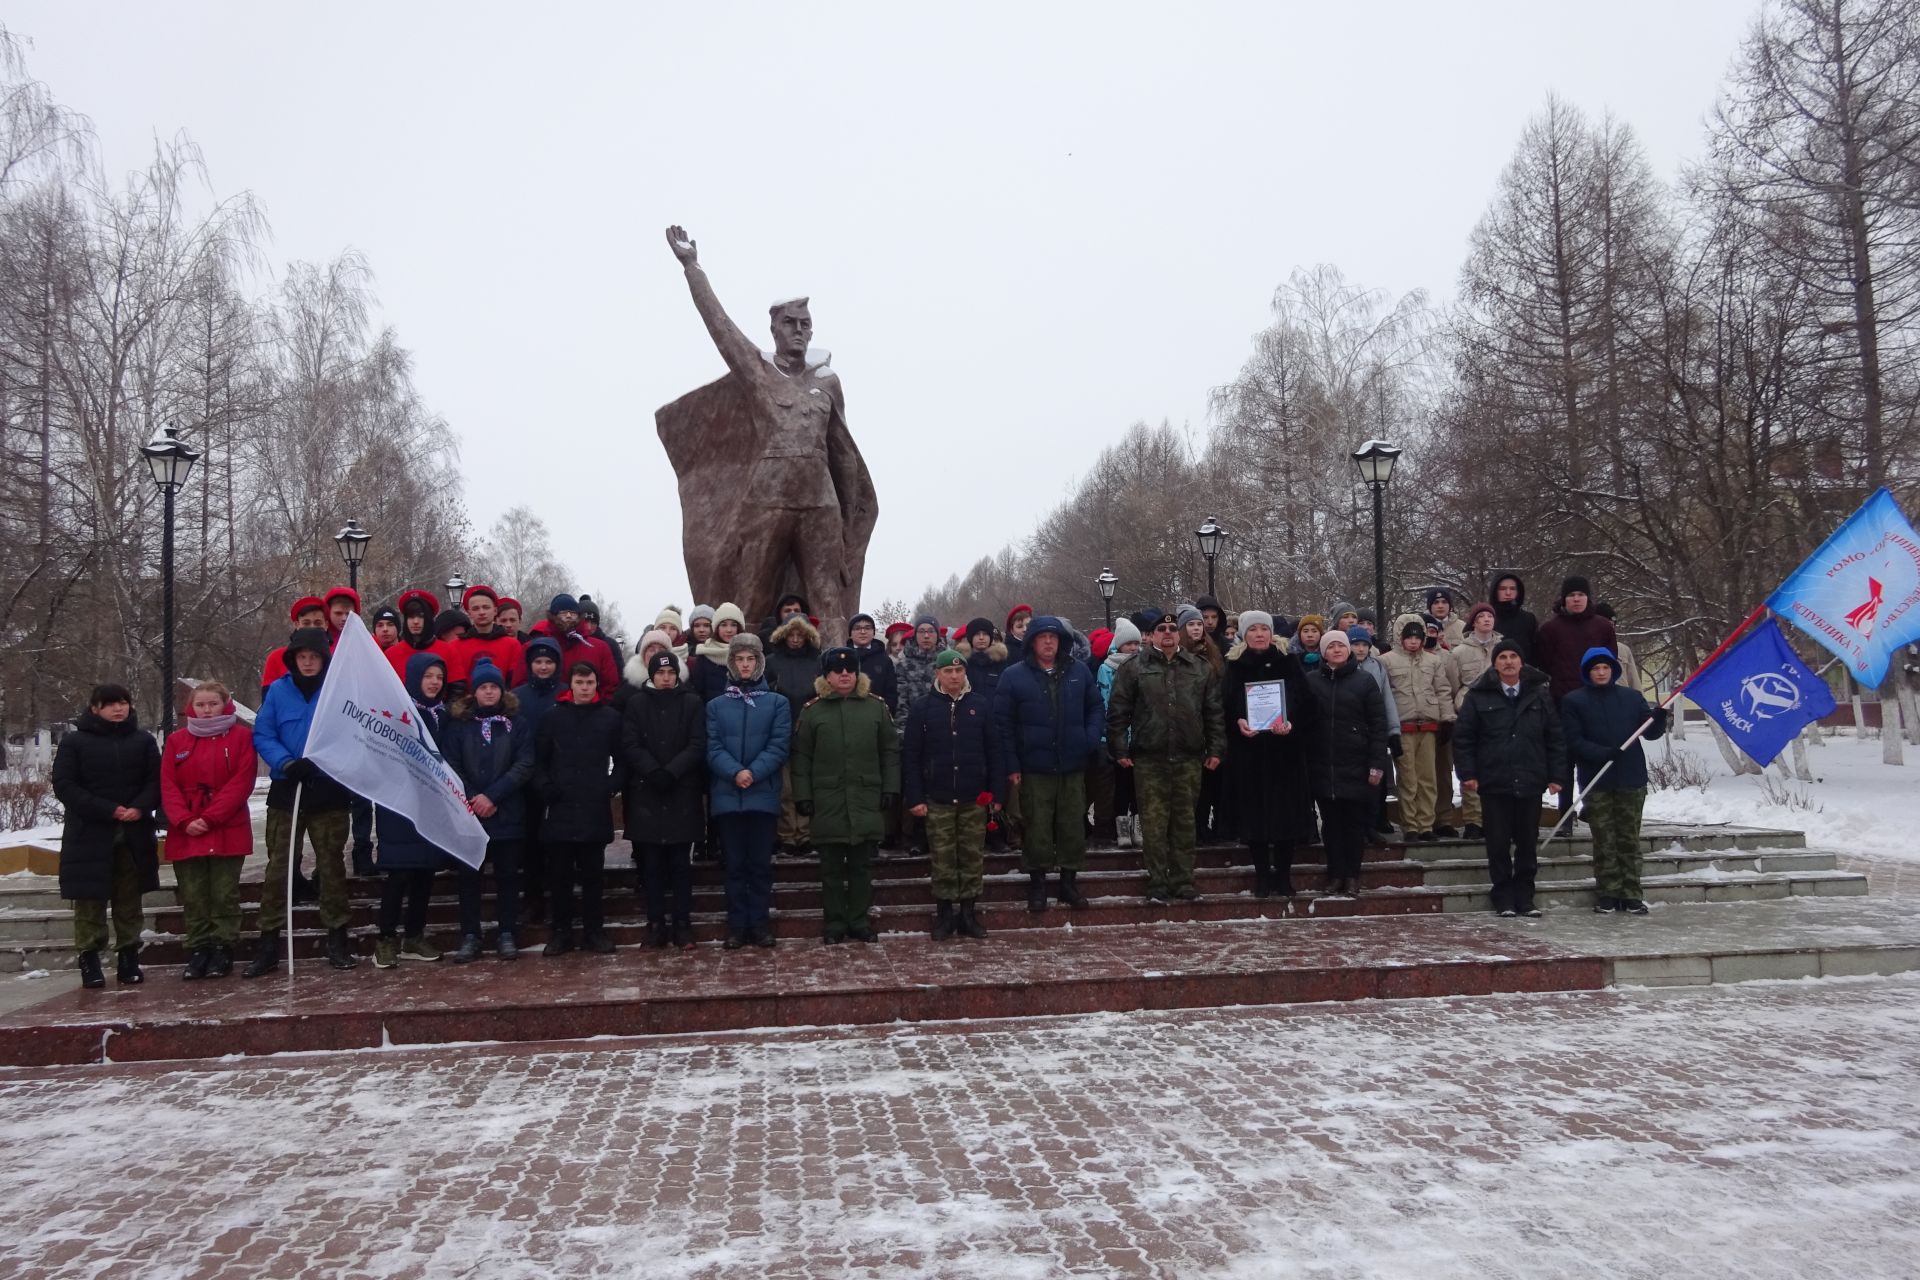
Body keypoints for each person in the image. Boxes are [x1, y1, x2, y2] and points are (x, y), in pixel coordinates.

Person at [248, 628, 358, 976]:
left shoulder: (339, 690)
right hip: (288, 790)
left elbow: (353, 733)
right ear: (293, 659)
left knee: (331, 867)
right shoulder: (279, 692)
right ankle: (268, 943)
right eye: (302, 657)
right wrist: (285, 762)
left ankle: (338, 937)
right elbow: (263, 733)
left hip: (328, 789)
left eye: (314, 656)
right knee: (279, 868)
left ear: (325, 659)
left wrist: (324, 760)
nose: (308, 663)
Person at [1108, 611, 1227, 904]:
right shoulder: (1134, 668)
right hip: (1150, 759)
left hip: (1188, 758)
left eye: (1173, 628)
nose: (1168, 633)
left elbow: (1213, 712)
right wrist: (1120, 749)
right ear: (1150, 636)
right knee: (1155, 824)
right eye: (1161, 629)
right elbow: (1118, 712)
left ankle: (1183, 881)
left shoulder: (1199, 669)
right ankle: (1158, 882)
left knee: (1185, 823)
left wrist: (1216, 748)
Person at [53, 683, 160, 988]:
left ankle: (129, 956)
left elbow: (155, 780)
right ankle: (89, 958)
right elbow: (65, 785)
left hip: (133, 834)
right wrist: (107, 809)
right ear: (95, 708)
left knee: (129, 899)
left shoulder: (143, 741)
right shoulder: (75, 742)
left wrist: (139, 808)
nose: (118, 708)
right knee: (89, 901)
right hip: (89, 834)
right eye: (110, 703)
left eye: (123, 702)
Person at [996, 615, 1106, 912]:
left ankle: (1069, 883)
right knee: (1037, 827)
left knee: (1072, 825)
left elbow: (1095, 707)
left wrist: (1090, 738)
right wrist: (1012, 764)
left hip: (1072, 764)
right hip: (1034, 766)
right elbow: (1003, 724)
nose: (1048, 642)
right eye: (1042, 637)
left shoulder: (1079, 672)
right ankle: (1038, 885)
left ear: (1062, 642)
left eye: (1054, 637)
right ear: (1032, 641)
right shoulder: (1013, 676)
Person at [793, 646, 900, 944]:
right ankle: (835, 923)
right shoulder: (812, 711)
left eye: (850, 670)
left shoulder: (875, 707)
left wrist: (890, 787)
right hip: (827, 801)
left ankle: (859, 921)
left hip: (866, 798)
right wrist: (803, 795)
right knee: (829, 869)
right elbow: (801, 758)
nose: (844, 675)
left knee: (861, 867)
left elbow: (890, 752)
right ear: (826, 675)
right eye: (838, 671)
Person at [1453, 640, 1567, 917]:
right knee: (1498, 841)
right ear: (1494, 664)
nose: (1508, 661)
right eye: (1502, 657)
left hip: (1530, 779)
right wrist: (1467, 773)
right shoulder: (1478, 696)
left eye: (1513, 656)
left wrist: (1556, 775)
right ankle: (1503, 896)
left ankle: (1526, 896)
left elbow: (1554, 737)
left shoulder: (1539, 695)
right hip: (1494, 781)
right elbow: (1464, 738)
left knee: (1528, 842)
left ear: (1522, 662)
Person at [1559, 647, 1667, 915]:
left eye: (1605, 667)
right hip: (1597, 779)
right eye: (1596, 668)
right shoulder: (1574, 701)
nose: (1601, 672)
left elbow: (1649, 732)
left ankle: (1631, 893)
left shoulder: (1631, 698)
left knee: (1629, 839)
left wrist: (1659, 720)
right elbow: (1573, 741)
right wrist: (1602, 753)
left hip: (1631, 778)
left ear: (1613, 670)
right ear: (1588, 672)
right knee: (1605, 839)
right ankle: (1608, 892)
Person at [159, 682, 255, 979]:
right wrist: (184, 819)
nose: (206, 710)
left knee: (224, 892)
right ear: (191, 708)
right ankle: (199, 947)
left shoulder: (241, 738)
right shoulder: (177, 741)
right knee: (194, 893)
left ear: (225, 704)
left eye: (212, 703)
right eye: (200, 704)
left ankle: (223, 946)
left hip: (226, 825)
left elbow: (241, 781)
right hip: (186, 829)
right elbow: (167, 784)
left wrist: (211, 817)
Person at [903, 649, 1001, 940]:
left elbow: (994, 751)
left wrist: (996, 792)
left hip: (974, 797)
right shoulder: (922, 708)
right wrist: (916, 797)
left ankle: (969, 915)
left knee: (972, 857)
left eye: (959, 671)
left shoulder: (981, 705)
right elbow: (911, 756)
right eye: (948, 671)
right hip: (938, 797)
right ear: (938, 674)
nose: (954, 676)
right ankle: (945, 915)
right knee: (943, 858)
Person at [446, 659, 535, 962]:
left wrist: (493, 796)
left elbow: (524, 764)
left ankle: (507, 932)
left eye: (493, 687)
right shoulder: (459, 726)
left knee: (508, 876)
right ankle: (471, 934)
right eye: (483, 687)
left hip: (507, 813)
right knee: (469, 878)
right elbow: (451, 765)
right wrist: (474, 797)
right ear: (474, 691)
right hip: (470, 816)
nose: (488, 692)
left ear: (502, 691)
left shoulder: (517, 724)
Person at [1221, 612, 1316, 899]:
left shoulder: (1289, 661)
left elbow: (1306, 701)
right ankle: (1263, 876)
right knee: (1255, 818)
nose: (1259, 634)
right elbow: (1224, 705)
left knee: (1286, 817)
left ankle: (1284, 877)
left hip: (1284, 752)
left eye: (1264, 629)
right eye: (1253, 630)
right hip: (1249, 753)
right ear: (1244, 634)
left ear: (1271, 633)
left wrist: (1292, 723)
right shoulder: (1235, 666)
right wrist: (1238, 721)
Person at [371, 653, 456, 968]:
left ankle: (414, 936)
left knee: (424, 873)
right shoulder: (398, 715)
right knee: (400, 873)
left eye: (439, 677)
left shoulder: (443, 715)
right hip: (400, 805)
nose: (435, 682)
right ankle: (385, 938)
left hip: (432, 805)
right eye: (428, 676)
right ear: (414, 678)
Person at [706, 631, 790, 948]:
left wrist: (752, 772)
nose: (744, 664)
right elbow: (712, 747)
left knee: (759, 866)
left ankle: (759, 925)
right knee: (734, 867)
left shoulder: (776, 703)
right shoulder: (715, 706)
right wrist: (735, 772)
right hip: (728, 797)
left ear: (759, 662)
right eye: (739, 659)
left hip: (761, 795)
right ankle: (737, 926)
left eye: (750, 658)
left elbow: (779, 745)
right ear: (731, 663)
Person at [536, 662, 625, 955]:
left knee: (592, 877)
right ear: (570, 684)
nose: (585, 688)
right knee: (559, 878)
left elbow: (623, 761)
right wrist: (546, 788)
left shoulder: (610, 718)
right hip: (560, 808)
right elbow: (539, 761)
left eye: (590, 682)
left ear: (596, 685)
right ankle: (561, 932)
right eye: (580, 682)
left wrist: (609, 787)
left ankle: (593, 931)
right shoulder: (552, 717)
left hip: (593, 808)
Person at [622, 651, 707, 949]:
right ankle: (655, 924)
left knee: (681, 866)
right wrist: (652, 771)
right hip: (648, 792)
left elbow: (697, 744)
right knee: (653, 867)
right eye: (661, 674)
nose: (666, 678)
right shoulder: (636, 703)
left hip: (681, 790)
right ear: (652, 676)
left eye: (671, 674)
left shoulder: (692, 703)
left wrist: (672, 771)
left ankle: (682, 924)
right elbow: (630, 744)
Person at [1300, 632, 1388, 898]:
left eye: (1341, 645)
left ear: (1348, 650)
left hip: (1357, 764)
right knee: (1330, 824)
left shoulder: (1365, 681)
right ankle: (1335, 874)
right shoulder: (1312, 681)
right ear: (1324, 652)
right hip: (1323, 764)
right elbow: (1303, 720)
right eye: (1331, 646)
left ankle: (1352, 875)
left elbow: (1378, 725)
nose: (1336, 650)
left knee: (1354, 824)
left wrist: (1376, 763)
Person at [1533, 576, 1619, 818]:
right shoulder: (1551, 629)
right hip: (1562, 702)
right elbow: (1544, 663)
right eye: (1571, 595)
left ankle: (1593, 807)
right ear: (1564, 599)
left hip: (1596, 702)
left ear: (1588, 597)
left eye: (1581, 594)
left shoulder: (1602, 627)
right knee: (1565, 760)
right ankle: (1565, 812)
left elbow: (1609, 662)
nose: (1576, 599)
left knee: (1592, 757)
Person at [1380, 618, 1454, 842]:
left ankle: (1426, 824)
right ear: (1400, 638)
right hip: (1403, 726)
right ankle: (1410, 825)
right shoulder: (1387, 661)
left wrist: (1447, 719)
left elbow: (1442, 689)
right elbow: (1383, 695)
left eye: (1417, 637)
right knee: (1407, 778)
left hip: (1429, 725)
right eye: (1408, 637)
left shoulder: (1433, 661)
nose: (1413, 642)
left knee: (1427, 778)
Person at [511, 635, 564, 920]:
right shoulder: (517, 697)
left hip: (561, 781)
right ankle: (533, 899)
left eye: (549, 662)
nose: (543, 667)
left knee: (559, 846)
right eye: (538, 662)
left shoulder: (567, 693)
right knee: (531, 844)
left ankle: (559, 899)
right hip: (527, 780)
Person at [765, 612, 823, 857]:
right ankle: (788, 836)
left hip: (810, 731)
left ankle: (808, 835)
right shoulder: (772, 662)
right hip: (781, 730)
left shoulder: (818, 662)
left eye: (801, 634)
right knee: (786, 788)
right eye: (792, 634)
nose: (796, 639)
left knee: (808, 786)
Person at [1448, 604, 1503, 840]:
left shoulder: (1504, 648)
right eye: (1481, 617)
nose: (1486, 620)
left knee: (1496, 769)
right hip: (1469, 714)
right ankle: (1473, 820)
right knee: (1470, 768)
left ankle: (1494, 818)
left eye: (1490, 616)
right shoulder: (1459, 652)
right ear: (1473, 623)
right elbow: (1452, 684)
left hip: (1500, 715)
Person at [1177, 605, 1228, 844]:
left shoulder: (1213, 653)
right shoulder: (1179, 654)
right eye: (1192, 624)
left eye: (1199, 624)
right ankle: (1191, 827)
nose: (1197, 628)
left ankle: (1206, 824)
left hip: (1210, 721)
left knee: (1209, 780)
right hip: (1185, 726)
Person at [1346, 624, 1401, 836]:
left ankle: (1375, 822)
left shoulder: (1377, 667)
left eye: (1363, 645)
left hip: (1374, 731)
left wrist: (1393, 730)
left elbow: (1387, 698)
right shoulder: (1342, 666)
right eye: (1355, 644)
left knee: (1377, 780)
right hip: (1350, 732)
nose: (1360, 649)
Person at [1096, 617, 1142, 849]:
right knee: (1119, 784)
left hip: (1140, 733)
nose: (1133, 648)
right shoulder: (1106, 668)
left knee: (1137, 784)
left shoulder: (1144, 664)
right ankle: (1121, 824)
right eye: (1128, 644)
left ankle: (1137, 822)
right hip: (1115, 733)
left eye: (1136, 643)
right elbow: (1103, 700)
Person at [531, 593, 620, 694]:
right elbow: (524, 683)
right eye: (563, 612)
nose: (568, 616)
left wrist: (594, 705)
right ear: (553, 616)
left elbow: (610, 684)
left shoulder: (600, 647)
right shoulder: (536, 646)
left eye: (572, 613)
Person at [460, 584, 526, 687]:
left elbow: (514, 683)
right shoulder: (456, 646)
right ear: (469, 613)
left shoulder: (512, 645)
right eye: (476, 608)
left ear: (495, 611)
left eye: (486, 607)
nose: (481, 612)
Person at [260, 595, 328, 694]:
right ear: (296, 625)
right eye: (306, 623)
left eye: (317, 623)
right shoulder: (276, 657)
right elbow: (268, 699)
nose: (312, 628)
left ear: (326, 625)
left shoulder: (336, 656)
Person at [688, 602, 745, 702]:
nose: (729, 630)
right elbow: (697, 693)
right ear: (716, 627)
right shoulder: (704, 656)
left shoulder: (749, 654)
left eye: (733, 625)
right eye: (723, 625)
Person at [848, 613, 900, 716]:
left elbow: (891, 693)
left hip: (877, 716)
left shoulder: (884, 659)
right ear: (850, 633)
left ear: (873, 632)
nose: (863, 632)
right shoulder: (842, 656)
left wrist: (884, 714)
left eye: (867, 628)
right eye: (857, 628)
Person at [1488, 572, 1539, 663]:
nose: (1508, 593)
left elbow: (1536, 653)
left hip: (1524, 673)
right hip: (1491, 673)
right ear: (1495, 592)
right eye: (1502, 589)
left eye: (1512, 589)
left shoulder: (1528, 619)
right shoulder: (1487, 618)